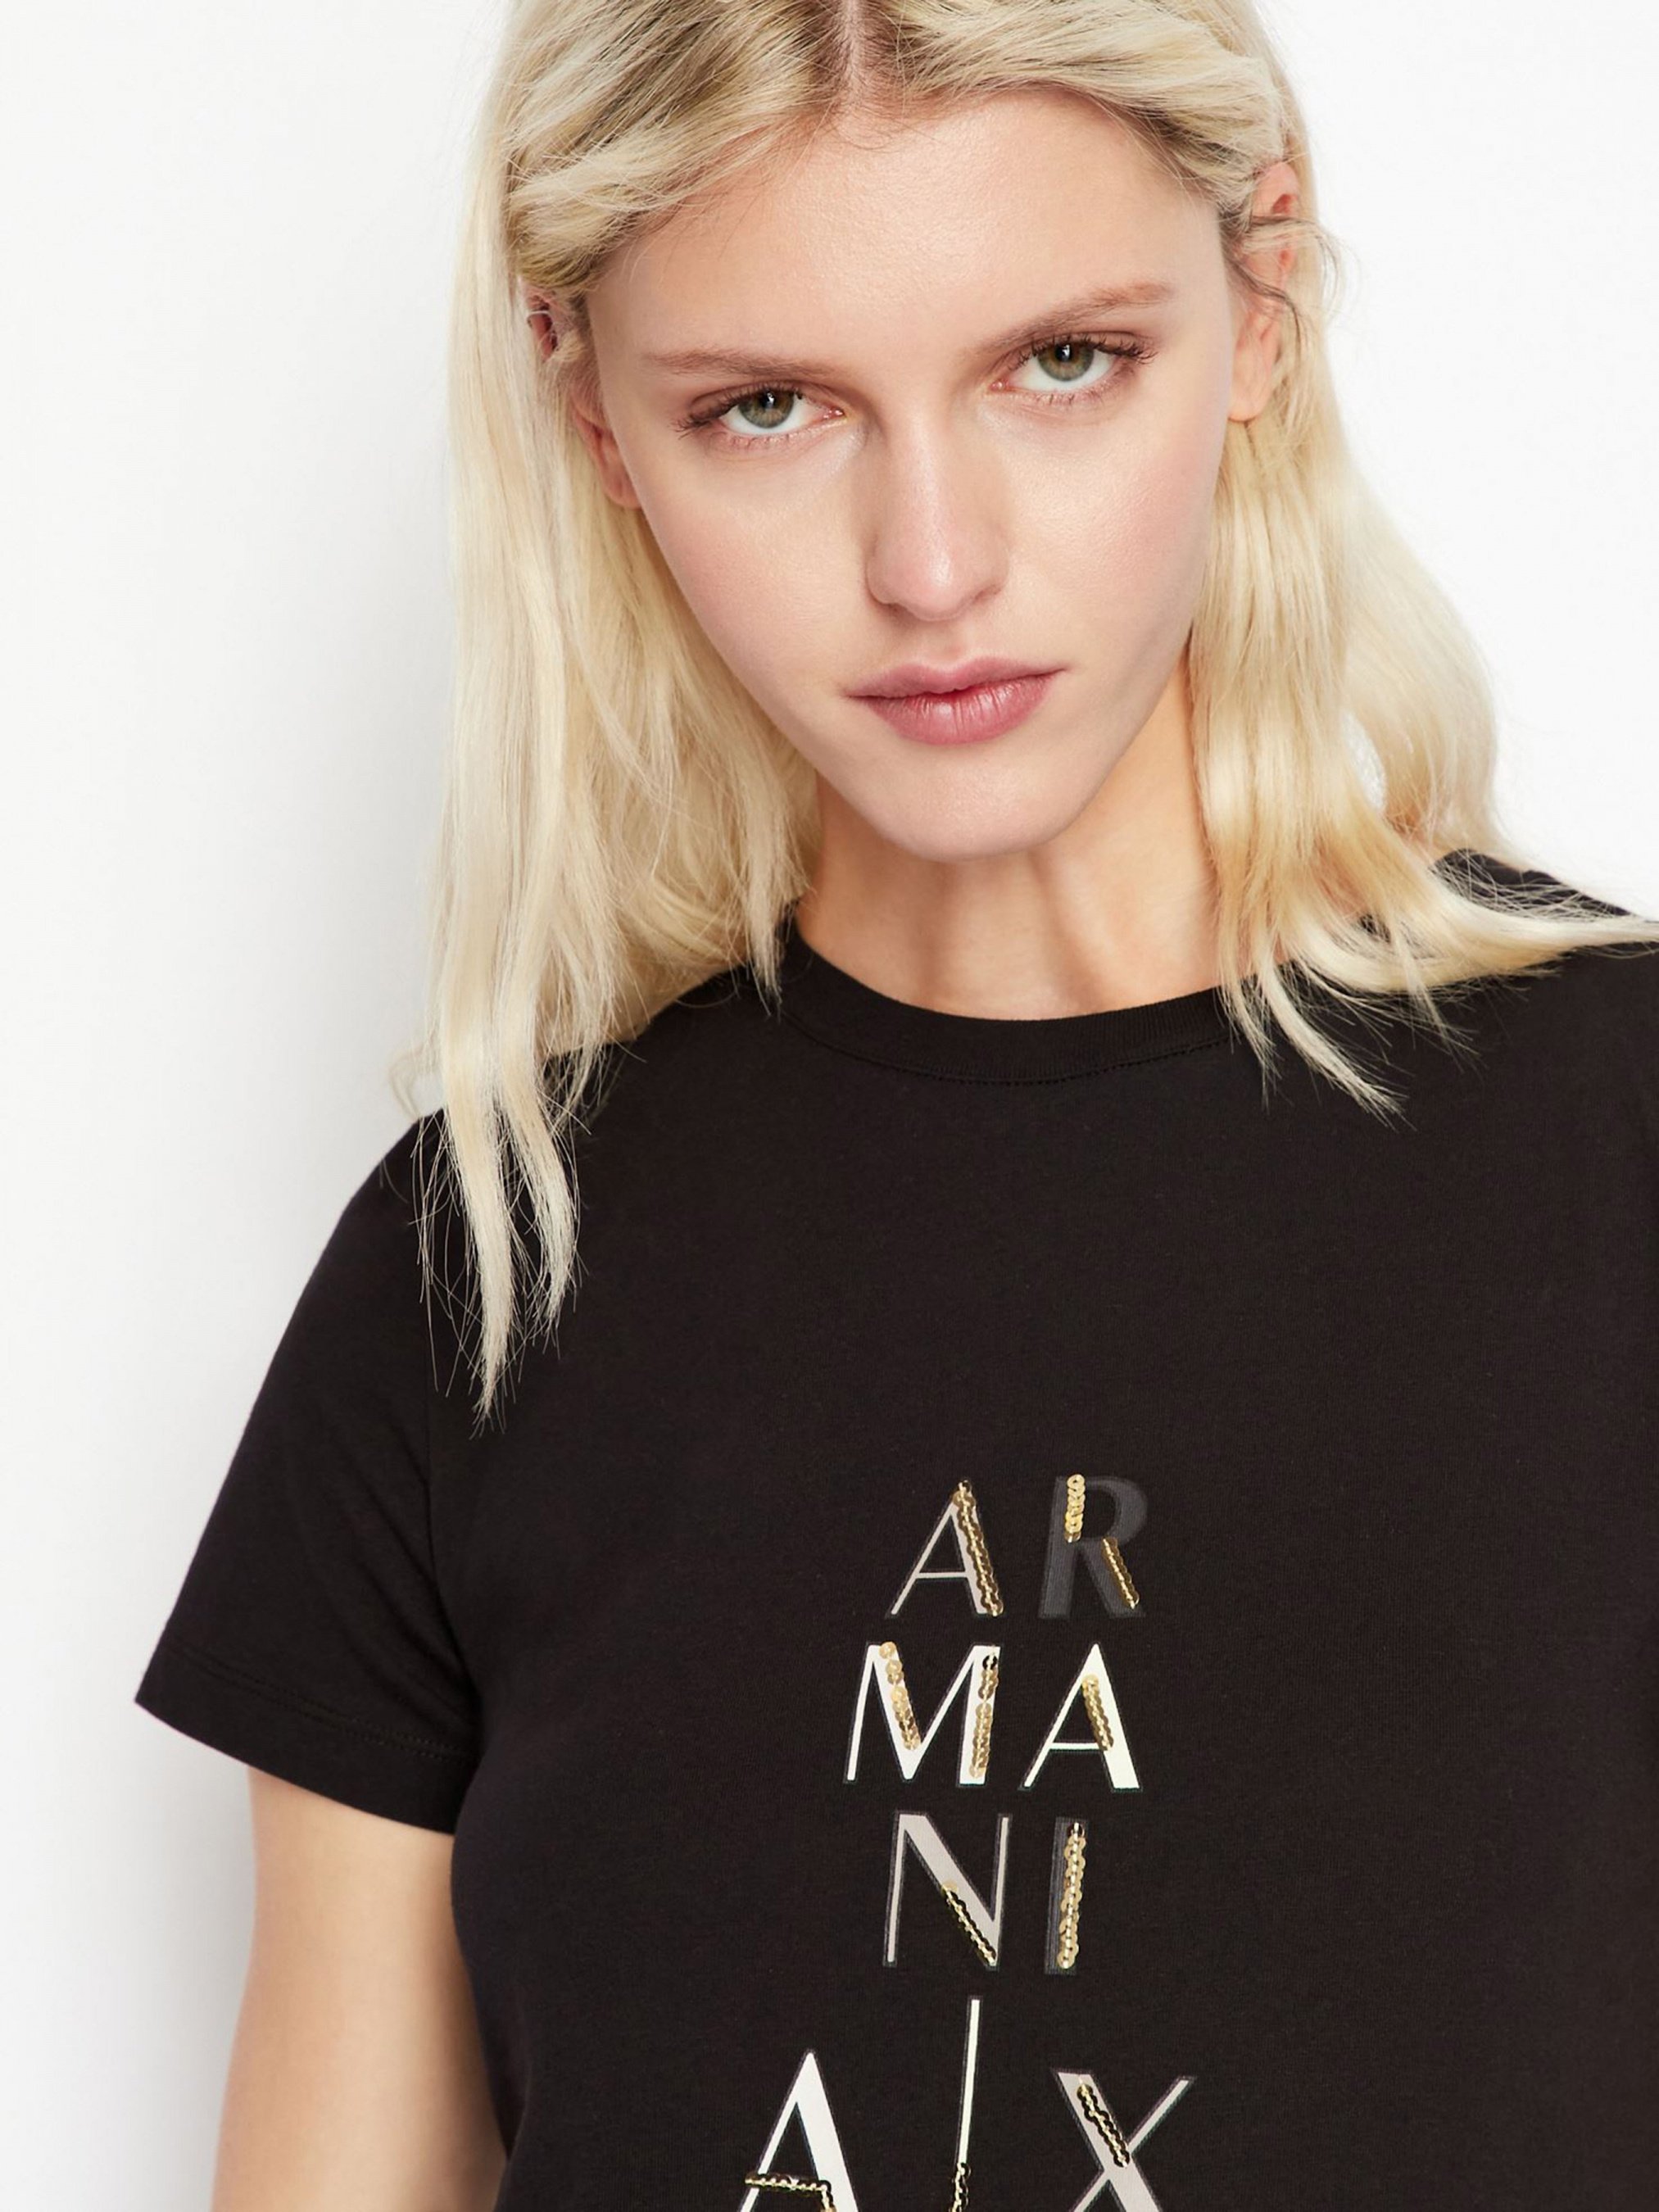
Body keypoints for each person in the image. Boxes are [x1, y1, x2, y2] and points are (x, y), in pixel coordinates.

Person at [133, 1, 1659, 2206]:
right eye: (767, 407)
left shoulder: (1617, 1152)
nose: (930, 564)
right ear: (591, 406)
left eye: (1063, 362)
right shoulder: (476, 1275)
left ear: (1260, 294)